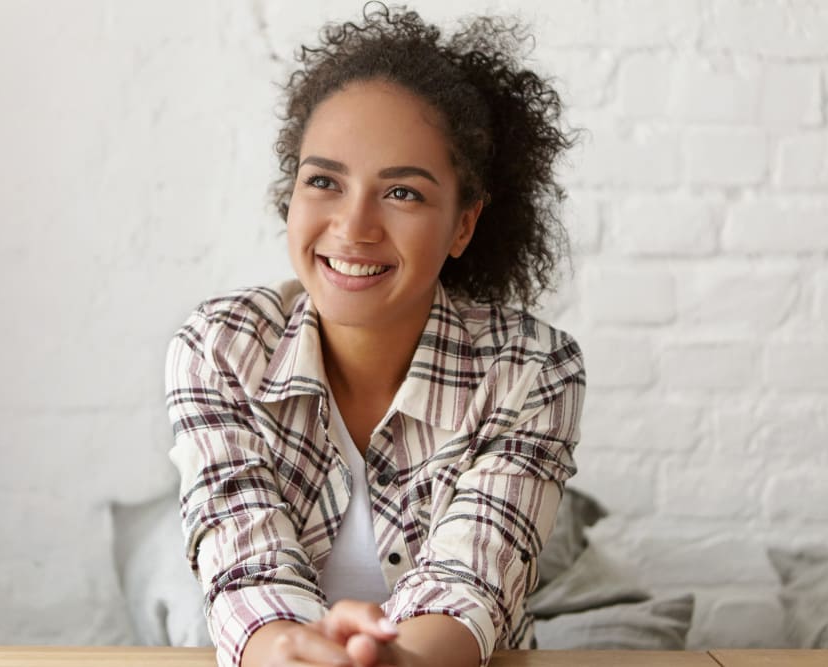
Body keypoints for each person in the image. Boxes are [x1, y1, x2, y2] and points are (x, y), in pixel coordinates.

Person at [164, 4, 585, 666]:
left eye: (404, 194)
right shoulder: (221, 348)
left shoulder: (532, 369)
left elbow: (471, 583)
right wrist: (295, 653)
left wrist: (395, 662)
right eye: (324, 181)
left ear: (464, 224)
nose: (353, 226)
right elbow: (247, 573)